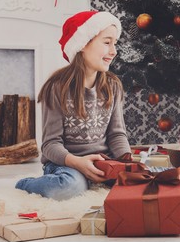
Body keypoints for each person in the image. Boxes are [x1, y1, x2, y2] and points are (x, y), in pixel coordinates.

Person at [15, 11, 131, 200]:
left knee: (137, 182)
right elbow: (50, 145)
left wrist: (127, 162)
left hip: (104, 162)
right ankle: (24, 184)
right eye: (107, 42)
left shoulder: (113, 86)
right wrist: (78, 163)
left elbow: (116, 134)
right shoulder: (57, 88)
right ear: (83, 44)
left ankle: (91, 181)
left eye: (115, 43)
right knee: (70, 187)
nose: (114, 51)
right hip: (66, 164)